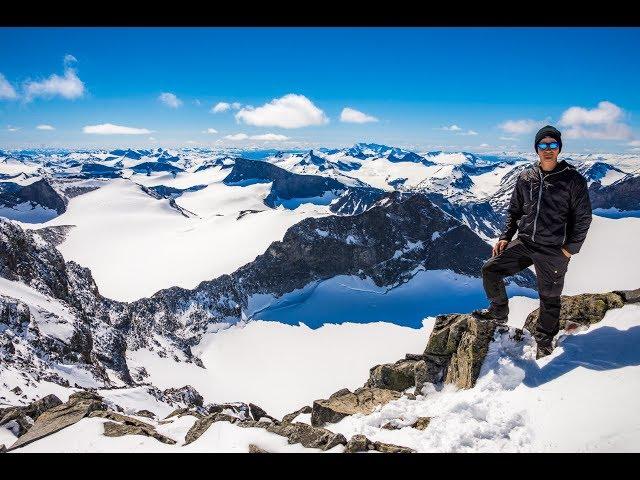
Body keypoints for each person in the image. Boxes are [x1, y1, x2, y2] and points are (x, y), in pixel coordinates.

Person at [471, 125, 593, 359]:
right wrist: (506, 237)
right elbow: (514, 211)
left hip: (554, 249)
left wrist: (569, 250)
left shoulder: (572, 180)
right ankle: (498, 314)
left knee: (549, 296)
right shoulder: (526, 176)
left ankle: (545, 341)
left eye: (553, 145)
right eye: (543, 145)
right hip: (525, 242)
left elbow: (583, 217)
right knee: (491, 269)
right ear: (536, 148)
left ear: (559, 148)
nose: (548, 149)